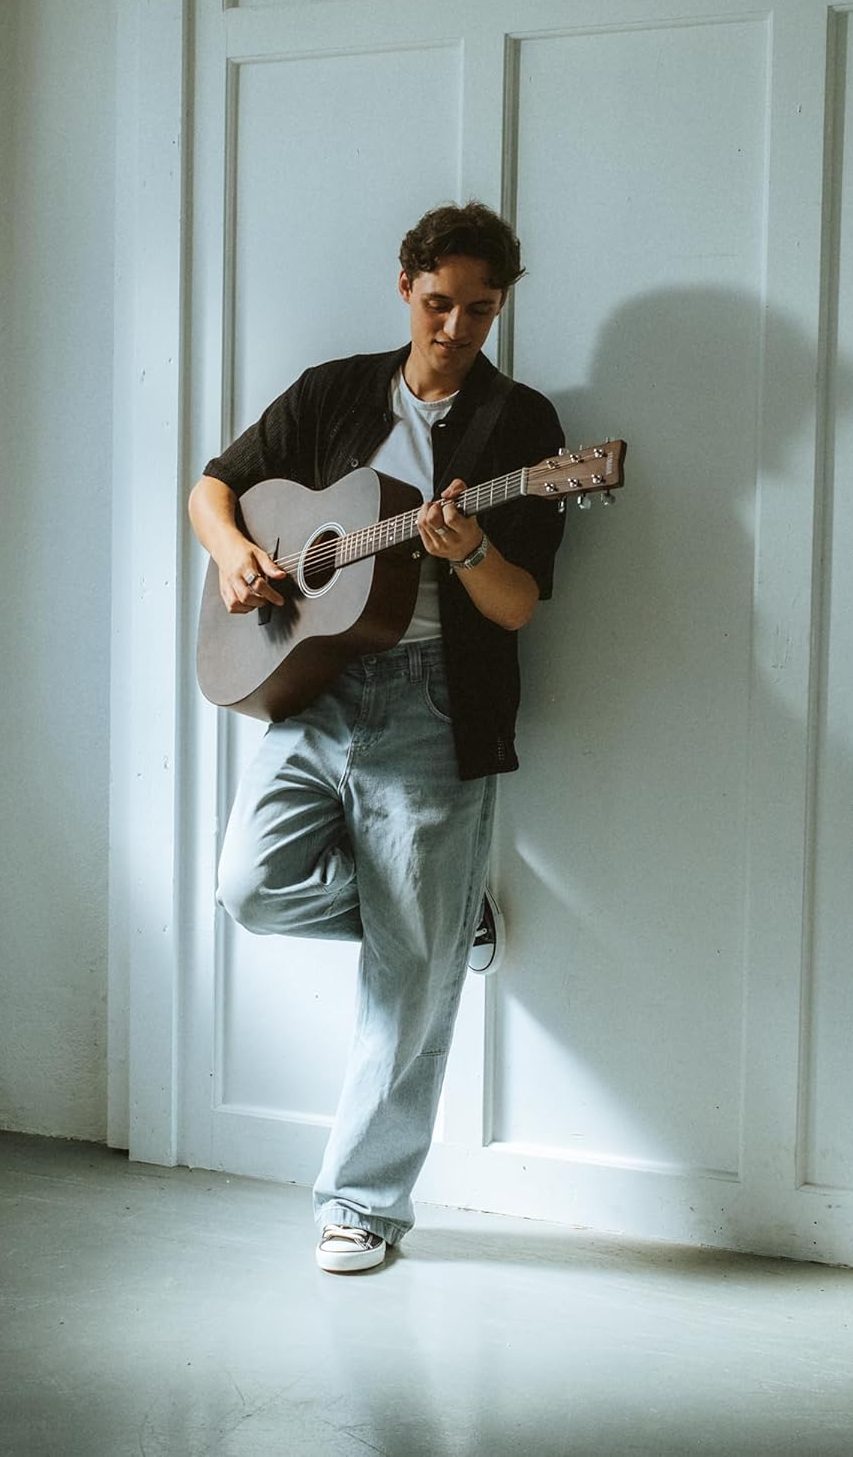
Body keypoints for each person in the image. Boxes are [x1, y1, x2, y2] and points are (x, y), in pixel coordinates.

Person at [188, 201, 566, 1273]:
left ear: (501, 307)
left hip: (435, 705)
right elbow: (215, 489)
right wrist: (230, 556)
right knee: (249, 889)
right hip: (311, 690)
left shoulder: (524, 428)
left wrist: (471, 546)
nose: (455, 328)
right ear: (405, 286)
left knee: (404, 985)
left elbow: (518, 605)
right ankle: (453, 919)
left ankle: (362, 1205)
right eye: (439, 302)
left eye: (479, 311)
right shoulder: (335, 393)